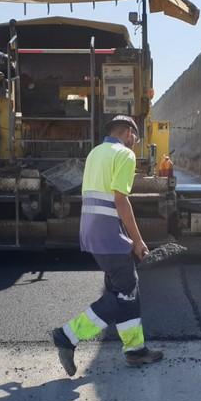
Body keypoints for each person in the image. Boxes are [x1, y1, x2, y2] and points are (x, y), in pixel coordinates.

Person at [50, 115, 163, 376]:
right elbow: (121, 201)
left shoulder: (95, 153)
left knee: (127, 290)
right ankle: (67, 335)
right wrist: (138, 240)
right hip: (109, 233)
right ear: (127, 132)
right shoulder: (123, 154)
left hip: (91, 231)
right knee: (124, 293)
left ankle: (135, 350)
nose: (135, 141)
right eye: (135, 136)